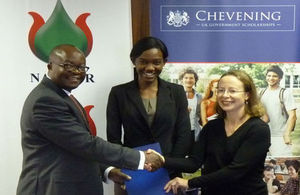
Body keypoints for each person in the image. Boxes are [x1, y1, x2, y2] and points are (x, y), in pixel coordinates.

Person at [16, 44, 163, 195]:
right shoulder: (46, 100)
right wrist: (140, 157)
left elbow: (73, 148)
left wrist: (107, 170)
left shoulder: (61, 95)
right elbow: (86, 143)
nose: (76, 72)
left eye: (81, 68)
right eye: (68, 66)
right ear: (50, 66)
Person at [106, 36, 191, 194]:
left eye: (156, 62)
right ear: (134, 61)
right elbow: (113, 137)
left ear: (164, 62)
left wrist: (168, 165)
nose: (150, 67)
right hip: (131, 172)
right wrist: (120, 167)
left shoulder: (177, 92)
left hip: (169, 173)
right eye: (143, 61)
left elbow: (184, 134)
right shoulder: (119, 93)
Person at [164, 70, 271, 195]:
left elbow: (235, 171)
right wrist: (162, 160)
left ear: (247, 95)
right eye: (220, 90)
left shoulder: (258, 129)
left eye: (232, 91)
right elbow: (194, 162)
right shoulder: (211, 127)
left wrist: (189, 183)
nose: (225, 95)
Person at [260, 65, 297, 156]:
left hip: (280, 137)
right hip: (263, 136)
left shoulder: (285, 93)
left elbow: (293, 116)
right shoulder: (261, 92)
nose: (271, 78)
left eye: (274, 76)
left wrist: (287, 134)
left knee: (284, 166)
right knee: (265, 168)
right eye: (269, 75)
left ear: (280, 78)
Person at [179, 68, 202, 141]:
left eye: (191, 78)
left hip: (195, 131)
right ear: (182, 80)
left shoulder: (199, 96)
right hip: (180, 131)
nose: (189, 80)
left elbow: (199, 114)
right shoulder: (177, 95)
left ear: (195, 80)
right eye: (186, 78)